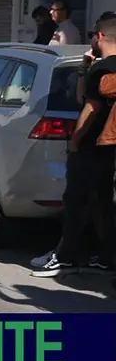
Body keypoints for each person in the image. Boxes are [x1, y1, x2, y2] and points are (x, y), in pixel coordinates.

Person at [33, 15, 116, 277]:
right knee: (105, 204)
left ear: (100, 37)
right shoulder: (102, 68)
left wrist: (76, 141)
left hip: (93, 145)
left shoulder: (102, 70)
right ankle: (107, 258)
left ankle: (65, 257)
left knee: (76, 202)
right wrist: (84, 68)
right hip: (111, 152)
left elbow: (89, 106)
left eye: (93, 34)